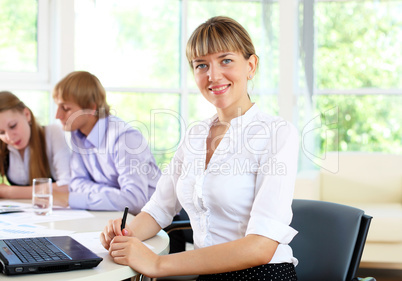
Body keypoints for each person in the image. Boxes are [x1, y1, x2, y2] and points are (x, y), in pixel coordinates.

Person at [100, 16, 299, 280]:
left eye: (226, 60)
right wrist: (126, 234)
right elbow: (159, 208)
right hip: (207, 274)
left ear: (251, 66)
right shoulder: (195, 134)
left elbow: (261, 247)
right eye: (201, 65)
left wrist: (157, 264)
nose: (213, 75)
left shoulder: (278, 133)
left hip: (262, 274)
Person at [52, 71, 160, 214]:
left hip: (157, 222)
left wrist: (74, 198)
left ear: (91, 108)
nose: (57, 115)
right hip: (115, 215)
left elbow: (134, 201)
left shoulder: (125, 138)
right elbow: (77, 183)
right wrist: (114, 194)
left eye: (65, 108)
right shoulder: (77, 134)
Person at [0, 91, 70, 201]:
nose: (9, 137)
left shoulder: (52, 133)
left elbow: (67, 186)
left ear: (26, 114)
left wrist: (9, 192)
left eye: (13, 126)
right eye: (1, 132)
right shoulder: (2, 145)